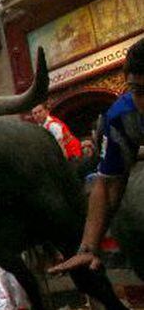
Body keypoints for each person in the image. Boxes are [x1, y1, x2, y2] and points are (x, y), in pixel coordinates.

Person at [51, 37, 144, 273]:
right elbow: (109, 183)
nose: (143, 101)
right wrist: (88, 248)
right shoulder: (122, 117)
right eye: (138, 91)